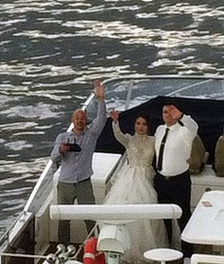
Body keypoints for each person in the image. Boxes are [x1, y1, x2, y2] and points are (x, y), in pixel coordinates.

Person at [106, 112, 163, 254]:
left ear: (148, 126)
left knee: (144, 215)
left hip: (146, 178)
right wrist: (115, 122)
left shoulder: (154, 140)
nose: (141, 127)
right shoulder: (129, 139)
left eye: (144, 124)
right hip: (128, 179)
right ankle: (123, 250)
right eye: (138, 123)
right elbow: (118, 135)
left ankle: (143, 251)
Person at [50, 79, 109, 207]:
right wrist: (60, 150)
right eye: (77, 118)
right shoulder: (62, 137)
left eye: (82, 118)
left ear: (86, 120)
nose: (80, 120)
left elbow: (102, 118)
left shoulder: (91, 134)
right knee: (64, 216)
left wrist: (101, 99)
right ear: (72, 120)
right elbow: (53, 158)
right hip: (65, 182)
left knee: (89, 215)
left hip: (84, 182)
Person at [153, 102, 201, 224]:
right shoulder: (159, 129)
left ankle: (186, 237)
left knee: (183, 215)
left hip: (179, 182)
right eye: (165, 112)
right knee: (164, 217)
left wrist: (182, 117)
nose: (168, 115)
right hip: (161, 180)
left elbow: (194, 127)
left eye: (172, 112)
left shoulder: (184, 132)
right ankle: (168, 237)